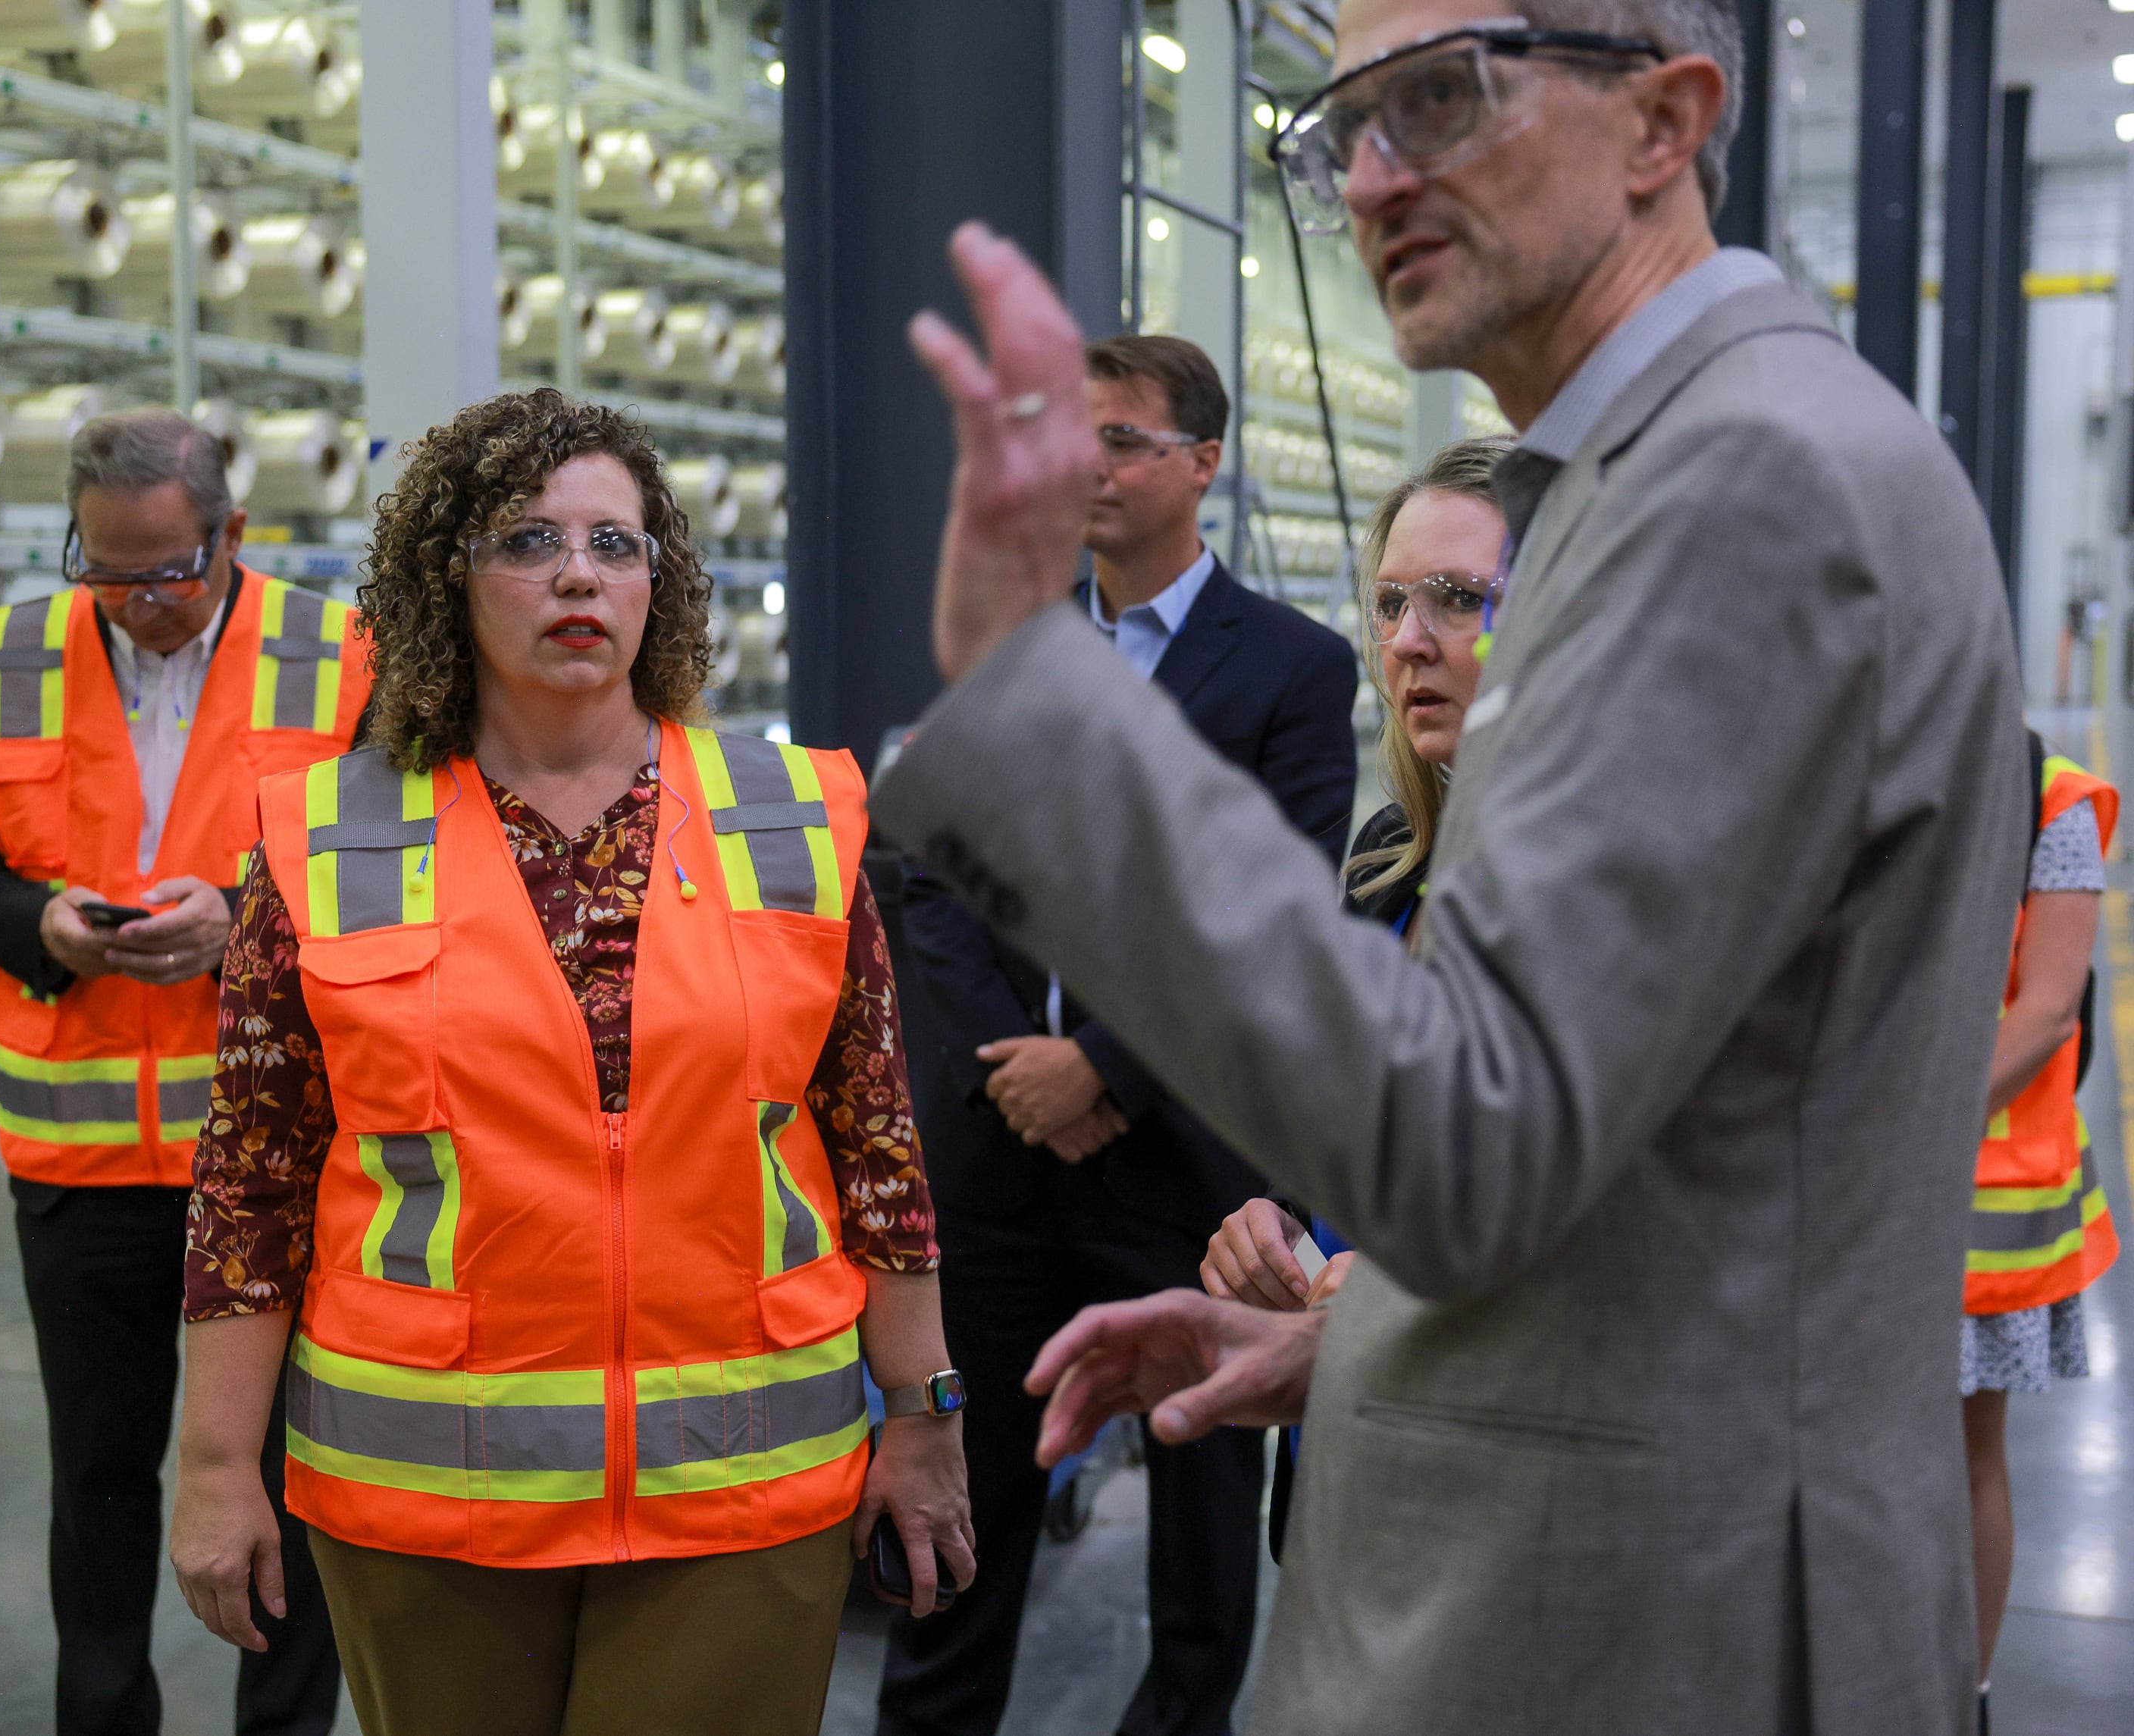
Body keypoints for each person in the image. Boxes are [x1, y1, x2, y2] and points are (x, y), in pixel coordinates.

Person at [872, 0, 2029, 1727]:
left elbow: (1468, 1127)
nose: (1370, 173)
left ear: (1663, 121)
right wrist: (1367, 1344)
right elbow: (1671, 1152)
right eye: (1341, 125)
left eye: (1437, 97)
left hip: (1644, 1631)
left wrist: (1041, 716)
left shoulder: (1744, 483)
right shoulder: (1663, 470)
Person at [165, 388, 973, 1736]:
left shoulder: (793, 815)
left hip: (745, 1485)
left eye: (617, 543)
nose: (579, 574)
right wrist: (211, 1467)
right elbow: (249, 1187)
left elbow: (877, 1144)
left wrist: (928, 1412)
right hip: (424, 1500)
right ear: (449, 578)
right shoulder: (327, 837)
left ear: (663, 581)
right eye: (529, 542)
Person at [879, 334, 1357, 1736]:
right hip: (1005, 1173)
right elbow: (932, 881)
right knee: (963, 1532)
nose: (1086, 465)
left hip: (1191, 1179)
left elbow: (1272, 901)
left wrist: (1107, 1067)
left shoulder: (1290, 668)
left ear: (1204, 464)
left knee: (1203, 1559)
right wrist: (1013, 1076)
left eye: (1124, 439)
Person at [0, 408, 365, 1736]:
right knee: (98, 1483)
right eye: (106, 574)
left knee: (287, 1481)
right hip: (83, 1162)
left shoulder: (337, 658)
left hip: (278, 1157)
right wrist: (39, 927)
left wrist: (240, 916)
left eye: (169, 572)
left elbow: (397, 868)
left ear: (230, 535)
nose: (140, 605)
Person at [1203, 435, 1510, 1326]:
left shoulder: (1640, 895)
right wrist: (1273, 1223)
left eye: (1456, 599)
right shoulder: (1390, 859)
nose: (1408, 641)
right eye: (1388, 602)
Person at [1962, 735, 2120, 1722]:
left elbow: (2053, 1006)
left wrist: (1906, 1132)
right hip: (1854, 1194)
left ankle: (1962, 1689)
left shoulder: (2050, 798)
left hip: (1988, 1206)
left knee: (1969, 1451)